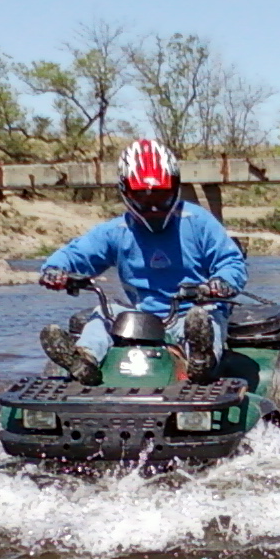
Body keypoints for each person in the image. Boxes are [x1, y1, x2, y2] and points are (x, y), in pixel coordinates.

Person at [37, 139, 245, 385]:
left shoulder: (198, 221)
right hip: (140, 316)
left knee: (207, 320)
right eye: (142, 197)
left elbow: (231, 262)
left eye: (161, 195)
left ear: (175, 187)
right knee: (104, 314)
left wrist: (221, 282)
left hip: (193, 311)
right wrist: (56, 270)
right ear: (125, 192)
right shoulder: (116, 231)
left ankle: (201, 360)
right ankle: (84, 359)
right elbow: (76, 254)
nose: (153, 206)